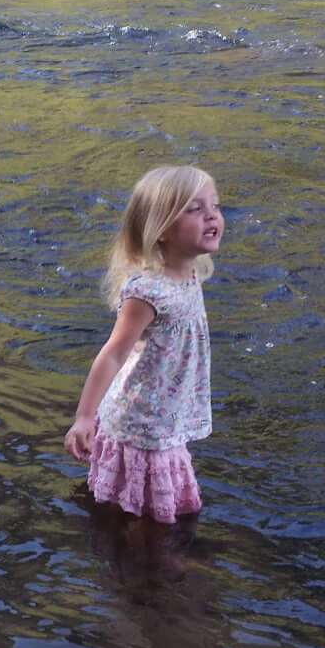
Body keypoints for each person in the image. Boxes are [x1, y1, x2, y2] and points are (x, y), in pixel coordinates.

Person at [64, 165, 223, 523]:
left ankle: (138, 549)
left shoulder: (190, 271)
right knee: (146, 513)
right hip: (144, 419)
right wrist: (84, 417)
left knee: (143, 506)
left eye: (215, 206)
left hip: (166, 408)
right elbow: (114, 353)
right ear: (162, 228)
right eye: (195, 209)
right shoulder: (148, 291)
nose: (212, 215)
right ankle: (148, 561)